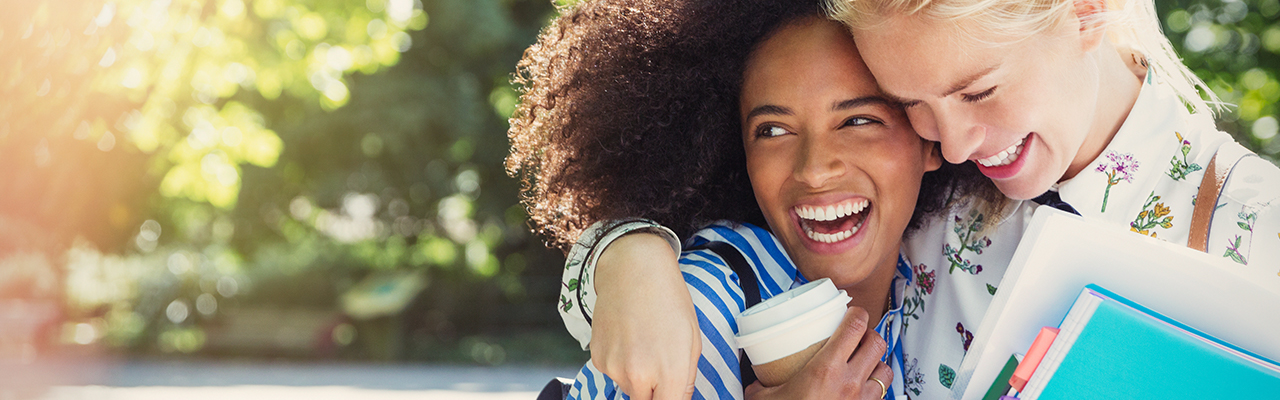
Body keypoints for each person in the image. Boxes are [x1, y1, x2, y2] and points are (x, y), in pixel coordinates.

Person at [551, 0, 1280, 399]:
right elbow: (729, 254)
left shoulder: (1260, 236)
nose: (954, 143)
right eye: (910, 105)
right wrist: (627, 251)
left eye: (979, 89)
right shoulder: (928, 189)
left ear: (1086, 10)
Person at [507, 0, 999, 398]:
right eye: (773, 130)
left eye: (857, 120)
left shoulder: (952, 272)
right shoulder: (699, 303)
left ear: (929, 137)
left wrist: (613, 249)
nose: (814, 166)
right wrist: (628, 253)